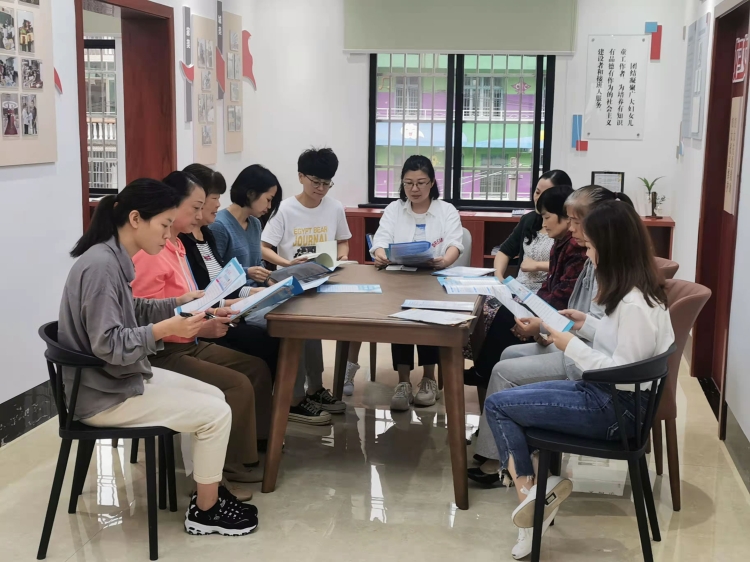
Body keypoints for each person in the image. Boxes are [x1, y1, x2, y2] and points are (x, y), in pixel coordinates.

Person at [60, 179, 258, 536]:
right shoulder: (102, 266)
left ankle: (208, 493)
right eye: (165, 225)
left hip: (115, 380)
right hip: (104, 395)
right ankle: (205, 511)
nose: (169, 236)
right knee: (216, 413)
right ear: (136, 218)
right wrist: (165, 329)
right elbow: (108, 344)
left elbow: (131, 308)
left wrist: (178, 303)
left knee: (216, 396)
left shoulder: (110, 257)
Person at [484, 200, 674, 559]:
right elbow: (622, 347)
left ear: (611, 247)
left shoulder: (633, 304)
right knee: (505, 405)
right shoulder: (638, 292)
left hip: (615, 410)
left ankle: (531, 505)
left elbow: (620, 372)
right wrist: (586, 325)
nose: (587, 254)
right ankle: (535, 500)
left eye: (590, 247)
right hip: (612, 401)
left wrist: (569, 344)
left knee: (498, 406)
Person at [470, 186, 635, 485]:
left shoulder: (609, 270)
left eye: (575, 221)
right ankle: (502, 447)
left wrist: (554, 331)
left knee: (503, 371)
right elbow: (587, 318)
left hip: (589, 367)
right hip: (583, 347)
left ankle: (501, 459)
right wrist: (558, 327)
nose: (570, 228)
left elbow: (613, 354)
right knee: (507, 353)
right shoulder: (593, 257)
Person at [131, 171, 272, 493]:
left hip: (188, 339)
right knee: (237, 383)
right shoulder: (150, 254)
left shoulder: (178, 245)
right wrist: (203, 321)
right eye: (194, 208)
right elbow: (146, 316)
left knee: (256, 367)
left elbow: (192, 300)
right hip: (164, 350)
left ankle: (254, 448)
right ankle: (227, 466)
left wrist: (212, 312)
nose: (200, 216)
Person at [467, 185, 587, 385]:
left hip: (565, 319)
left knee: (509, 317)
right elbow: (550, 285)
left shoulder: (576, 247)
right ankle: (484, 372)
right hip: (548, 306)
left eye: (547, 217)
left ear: (566, 216)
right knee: (509, 311)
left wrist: (536, 320)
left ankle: (484, 373)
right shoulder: (559, 241)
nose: (544, 224)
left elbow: (565, 294)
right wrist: (531, 308)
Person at [370, 155, 464, 411]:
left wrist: (444, 261)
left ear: (432, 182)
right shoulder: (394, 209)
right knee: (400, 316)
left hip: (434, 278)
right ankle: (403, 382)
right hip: (399, 277)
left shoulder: (446, 210)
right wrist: (381, 255)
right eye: (408, 183)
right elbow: (380, 241)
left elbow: (455, 244)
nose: (414, 189)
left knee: (427, 316)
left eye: (421, 183)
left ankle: (429, 379)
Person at [261, 148, 349, 420]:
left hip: (322, 282)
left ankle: (316, 388)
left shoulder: (334, 207)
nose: (321, 189)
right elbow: (264, 247)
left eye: (327, 183)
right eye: (316, 182)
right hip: (290, 286)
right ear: (301, 177)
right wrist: (287, 264)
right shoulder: (285, 209)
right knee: (298, 336)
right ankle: (295, 396)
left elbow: (343, 242)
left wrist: (341, 257)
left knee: (314, 334)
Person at [179, 163, 281, 377]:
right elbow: (198, 296)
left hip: (224, 310)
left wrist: (252, 292)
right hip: (209, 318)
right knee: (268, 341)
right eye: (214, 198)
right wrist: (237, 300)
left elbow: (222, 283)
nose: (219, 204)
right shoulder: (186, 240)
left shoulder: (206, 235)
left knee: (274, 336)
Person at [209, 164, 280, 286]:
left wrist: (270, 281)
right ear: (251, 193)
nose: (269, 206)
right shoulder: (219, 225)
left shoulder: (255, 223)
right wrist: (247, 272)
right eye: (268, 200)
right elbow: (215, 275)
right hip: (236, 295)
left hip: (258, 292)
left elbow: (258, 265)